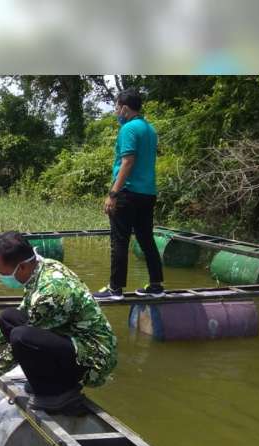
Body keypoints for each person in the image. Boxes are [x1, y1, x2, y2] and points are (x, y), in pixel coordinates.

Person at [0, 232, 117, 413]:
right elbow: (25, 310)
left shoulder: (51, 292)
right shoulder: (41, 267)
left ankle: (60, 394)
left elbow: (23, 338)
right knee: (8, 317)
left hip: (92, 358)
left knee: (21, 336)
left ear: (22, 267)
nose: (2, 277)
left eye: (3, 273)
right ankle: (48, 383)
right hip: (71, 340)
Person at [94, 88, 165, 300]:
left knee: (119, 241)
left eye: (116, 107)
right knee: (146, 239)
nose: (116, 112)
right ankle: (156, 286)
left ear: (125, 108)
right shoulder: (150, 129)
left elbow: (128, 161)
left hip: (128, 193)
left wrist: (113, 194)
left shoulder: (128, 129)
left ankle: (115, 289)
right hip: (147, 193)